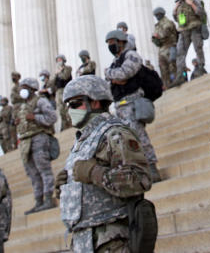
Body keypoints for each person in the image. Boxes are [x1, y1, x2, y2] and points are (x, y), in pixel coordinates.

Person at [56, 76, 154, 253]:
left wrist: (94, 172)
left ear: (94, 102)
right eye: (68, 105)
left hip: (111, 240)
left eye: (75, 104)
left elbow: (140, 179)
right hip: (83, 240)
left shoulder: (114, 133)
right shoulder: (83, 140)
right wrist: (65, 188)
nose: (70, 110)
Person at [104, 29, 161, 182]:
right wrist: (114, 75)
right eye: (108, 44)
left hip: (133, 103)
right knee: (126, 140)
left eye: (112, 43)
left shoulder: (131, 56)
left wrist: (109, 74)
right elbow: (116, 79)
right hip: (120, 106)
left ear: (121, 42)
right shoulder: (116, 62)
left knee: (139, 136)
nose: (111, 46)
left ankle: (152, 167)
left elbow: (123, 75)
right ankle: (140, 169)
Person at [15, 76, 57, 214]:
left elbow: (52, 117)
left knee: (44, 170)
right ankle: (39, 202)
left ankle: (49, 199)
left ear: (32, 89)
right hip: (25, 141)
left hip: (39, 137)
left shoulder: (40, 101)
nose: (22, 90)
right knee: (33, 173)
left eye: (24, 87)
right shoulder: (23, 106)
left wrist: (35, 118)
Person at [173, 0, 207, 72]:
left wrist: (191, 4)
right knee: (180, 51)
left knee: (198, 48)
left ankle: (201, 67)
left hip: (194, 28)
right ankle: (181, 71)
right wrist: (175, 9)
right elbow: (176, 19)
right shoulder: (179, 3)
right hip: (183, 30)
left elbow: (201, 13)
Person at [151, 7, 178, 88]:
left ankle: (175, 84)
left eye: (158, 14)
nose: (157, 16)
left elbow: (166, 33)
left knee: (172, 67)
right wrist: (155, 38)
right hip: (162, 49)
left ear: (162, 14)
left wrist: (157, 36)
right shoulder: (157, 26)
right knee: (163, 70)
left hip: (170, 47)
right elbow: (155, 38)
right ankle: (167, 86)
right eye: (155, 15)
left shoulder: (168, 22)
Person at [51, 54, 74, 131]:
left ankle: (71, 123)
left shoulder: (68, 68)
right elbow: (53, 83)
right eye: (57, 60)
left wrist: (60, 72)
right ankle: (65, 125)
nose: (58, 61)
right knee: (61, 110)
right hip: (58, 91)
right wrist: (55, 74)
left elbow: (65, 77)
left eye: (60, 60)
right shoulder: (57, 71)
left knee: (68, 108)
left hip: (66, 89)